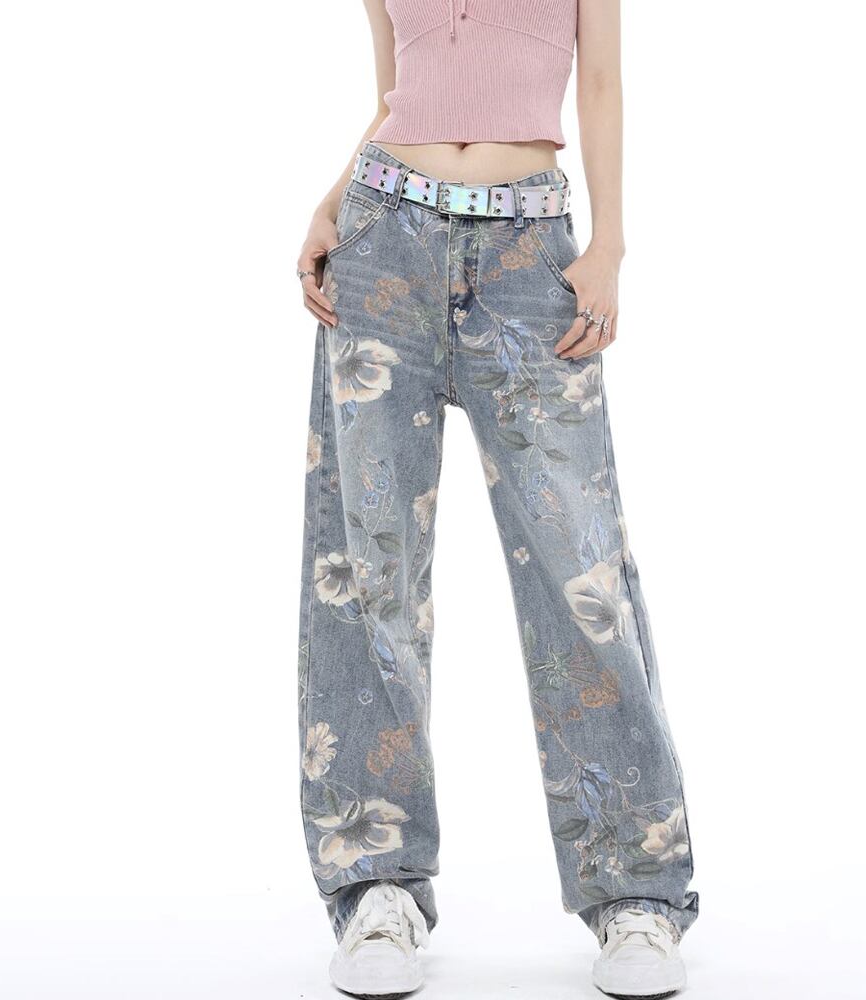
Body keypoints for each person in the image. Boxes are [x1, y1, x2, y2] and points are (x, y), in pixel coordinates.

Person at [295, 2, 697, 996]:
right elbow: (398, 95)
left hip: (530, 255)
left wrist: (608, 243)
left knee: (578, 573)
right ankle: (376, 888)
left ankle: (636, 890)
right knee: (366, 573)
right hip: (382, 243)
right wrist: (331, 204)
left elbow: (598, 81)